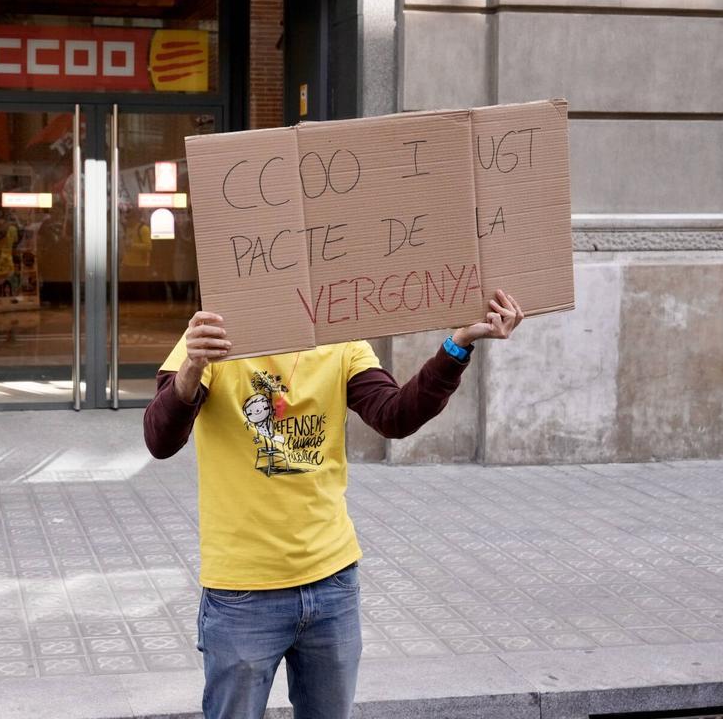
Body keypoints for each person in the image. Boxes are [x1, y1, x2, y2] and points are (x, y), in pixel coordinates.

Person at [143, 291, 524, 719]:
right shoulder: (214, 339)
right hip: (243, 593)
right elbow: (160, 440)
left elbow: (393, 415)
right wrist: (192, 369)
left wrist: (459, 344)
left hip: (332, 585)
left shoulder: (342, 340)